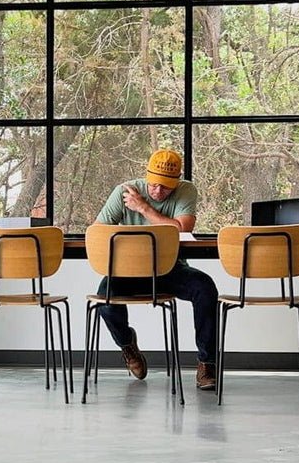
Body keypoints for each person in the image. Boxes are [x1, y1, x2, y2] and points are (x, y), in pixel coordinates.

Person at [92, 148, 219, 391]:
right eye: (154, 185)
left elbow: (182, 229)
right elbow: (97, 232)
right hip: (127, 272)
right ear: (146, 176)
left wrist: (144, 208)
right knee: (105, 302)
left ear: (177, 182)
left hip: (169, 270)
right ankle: (128, 346)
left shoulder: (186, 190)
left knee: (205, 287)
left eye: (166, 187)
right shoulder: (125, 191)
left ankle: (207, 363)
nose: (159, 191)